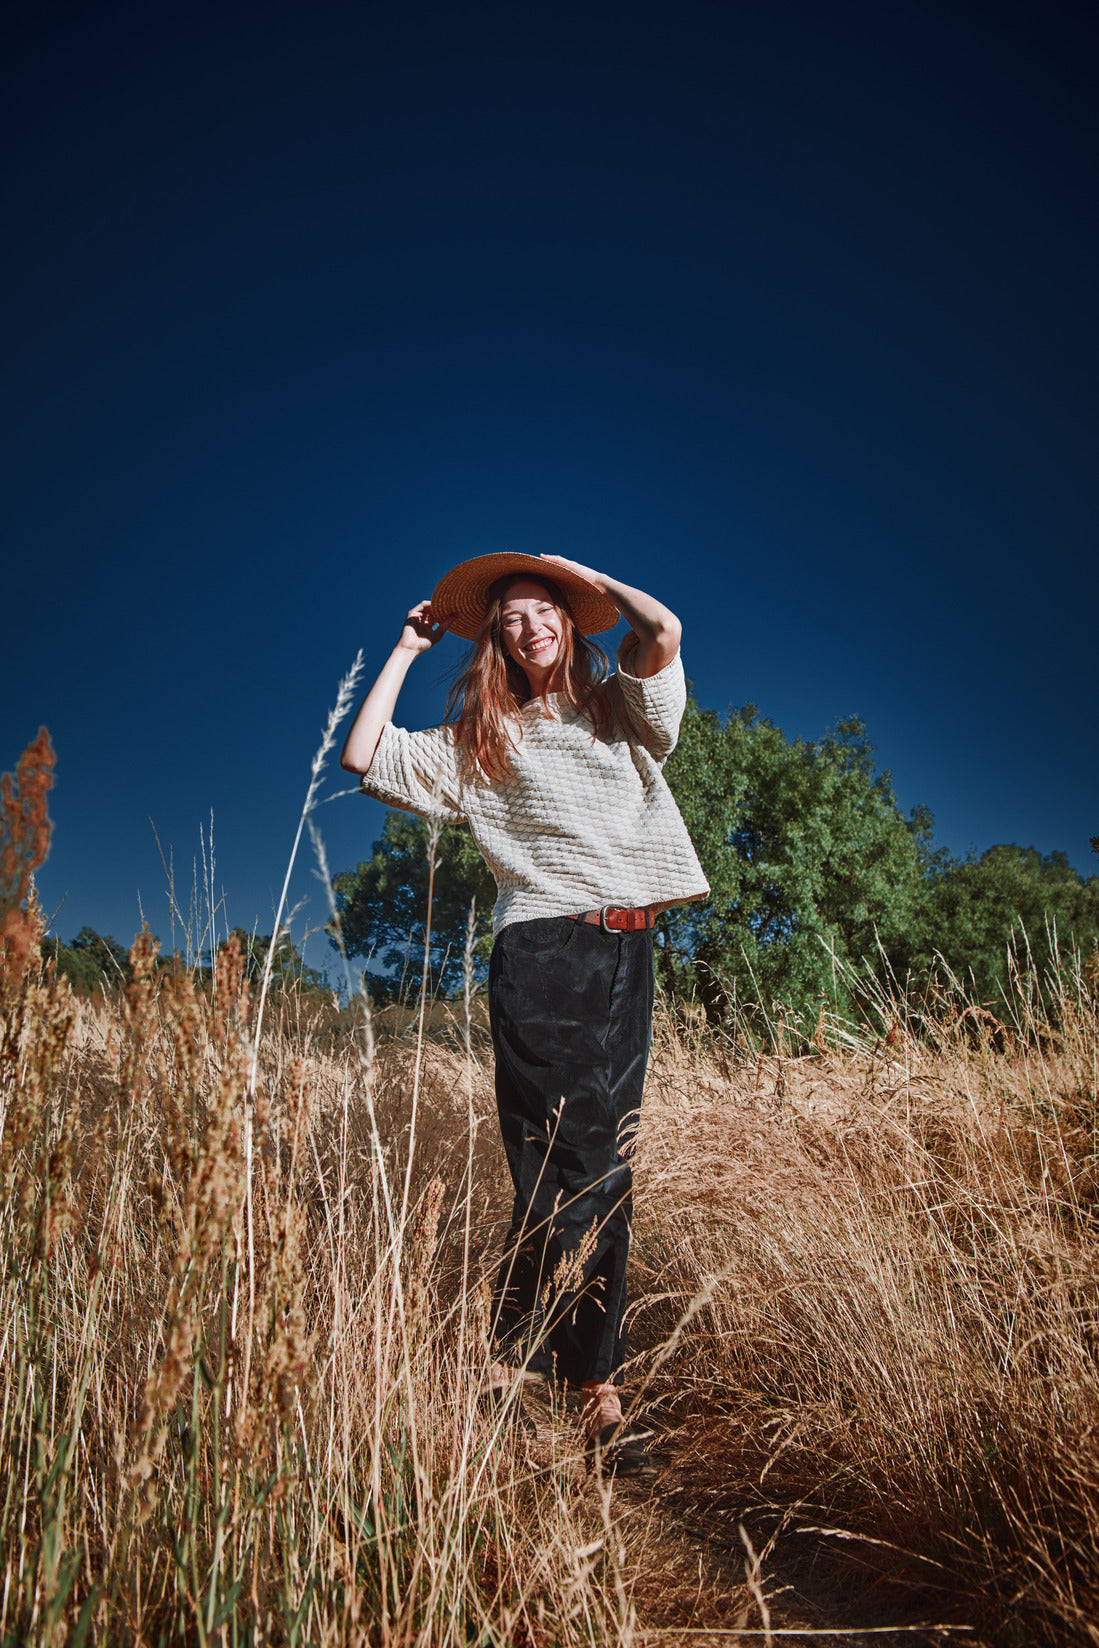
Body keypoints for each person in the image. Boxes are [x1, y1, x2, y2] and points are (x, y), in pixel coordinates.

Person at [340, 552, 709, 1474]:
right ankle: (591, 1387)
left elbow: (660, 630)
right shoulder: (477, 742)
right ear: (495, 642)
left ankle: (519, 1356)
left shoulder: (620, 707)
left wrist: (580, 572)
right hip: (543, 952)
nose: (529, 626)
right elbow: (362, 756)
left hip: (630, 949)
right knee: (565, 1154)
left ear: (571, 622)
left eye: (545, 610)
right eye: (509, 618)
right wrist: (401, 652)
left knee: (604, 1159)